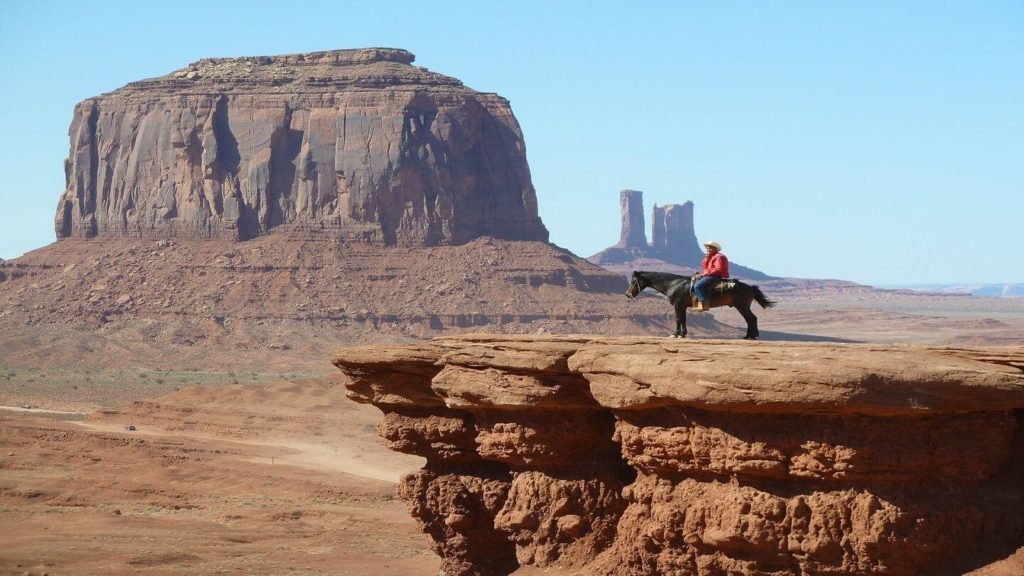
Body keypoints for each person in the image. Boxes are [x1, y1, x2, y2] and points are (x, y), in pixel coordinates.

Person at [692, 241, 729, 311]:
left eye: (710, 248)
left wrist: (704, 274)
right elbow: (704, 266)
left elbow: (719, 269)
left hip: (716, 276)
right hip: (710, 275)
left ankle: (704, 304)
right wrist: (707, 258)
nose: (708, 249)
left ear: (715, 248)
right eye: (707, 248)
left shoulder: (719, 257)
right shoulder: (711, 256)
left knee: (697, 286)